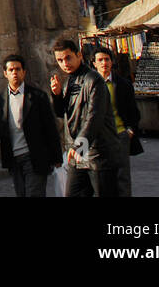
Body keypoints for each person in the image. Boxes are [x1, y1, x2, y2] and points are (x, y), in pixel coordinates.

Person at [50, 38, 123, 197]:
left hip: (98, 154)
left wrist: (79, 146)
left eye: (68, 58)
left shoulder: (94, 79)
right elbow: (62, 114)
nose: (65, 63)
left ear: (79, 55)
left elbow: (94, 117)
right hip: (78, 154)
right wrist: (56, 96)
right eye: (60, 60)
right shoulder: (69, 81)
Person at [0, 53, 61, 197]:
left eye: (18, 69)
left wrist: (56, 157)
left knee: (34, 194)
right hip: (13, 157)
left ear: (24, 72)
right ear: (5, 73)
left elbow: (50, 127)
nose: (15, 73)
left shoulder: (38, 96)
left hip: (34, 156)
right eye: (11, 70)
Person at [92, 47, 142, 197]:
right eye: (100, 60)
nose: (104, 63)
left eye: (107, 59)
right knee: (100, 178)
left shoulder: (123, 84)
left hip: (120, 135)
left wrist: (130, 131)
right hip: (98, 138)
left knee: (122, 178)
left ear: (112, 62)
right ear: (94, 64)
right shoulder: (90, 84)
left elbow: (133, 111)